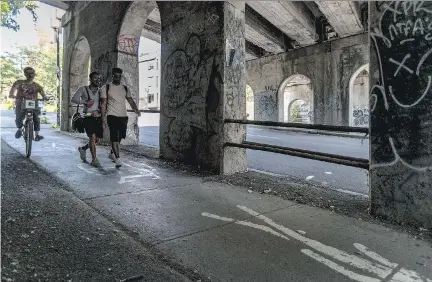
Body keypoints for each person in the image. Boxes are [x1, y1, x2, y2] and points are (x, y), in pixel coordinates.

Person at [100, 67, 140, 168]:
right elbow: (103, 103)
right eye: (115, 76)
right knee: (114, 137)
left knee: (121, 136)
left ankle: (112, 152)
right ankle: (118, 159)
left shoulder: (125, 88)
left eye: (119, 76)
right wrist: (103, 118)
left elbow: (130, 101)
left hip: (123, 116)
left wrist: (136, 109)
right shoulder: (106, 87)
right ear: (112, 75)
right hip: (112, 115)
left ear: (120, 76)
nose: (117, 78)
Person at [71, 72, 103, 167]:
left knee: (97, 140)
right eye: (95, 78)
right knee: (92, 137)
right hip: (88, 117)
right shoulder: (83, 89)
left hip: (98, 117)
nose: (97, 80)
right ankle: (94, 159)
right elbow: (74, 99)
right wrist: (85, 102)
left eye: (99, 79)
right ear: (90, 79)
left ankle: (83, 149)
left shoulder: (100, 91)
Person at [9, 67, 47, 141]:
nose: (31, 75)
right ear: (25, 74)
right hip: (21, 101)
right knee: (18, 118)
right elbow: (13, 89)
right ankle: (20, 129)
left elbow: (43, 94)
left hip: (33, 103)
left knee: (36, 118)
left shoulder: (37, 86)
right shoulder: (19, 82)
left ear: (34, 74)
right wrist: (11, 94)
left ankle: (37, 135)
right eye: (28, 73)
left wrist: (45, 97)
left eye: (32, 73)